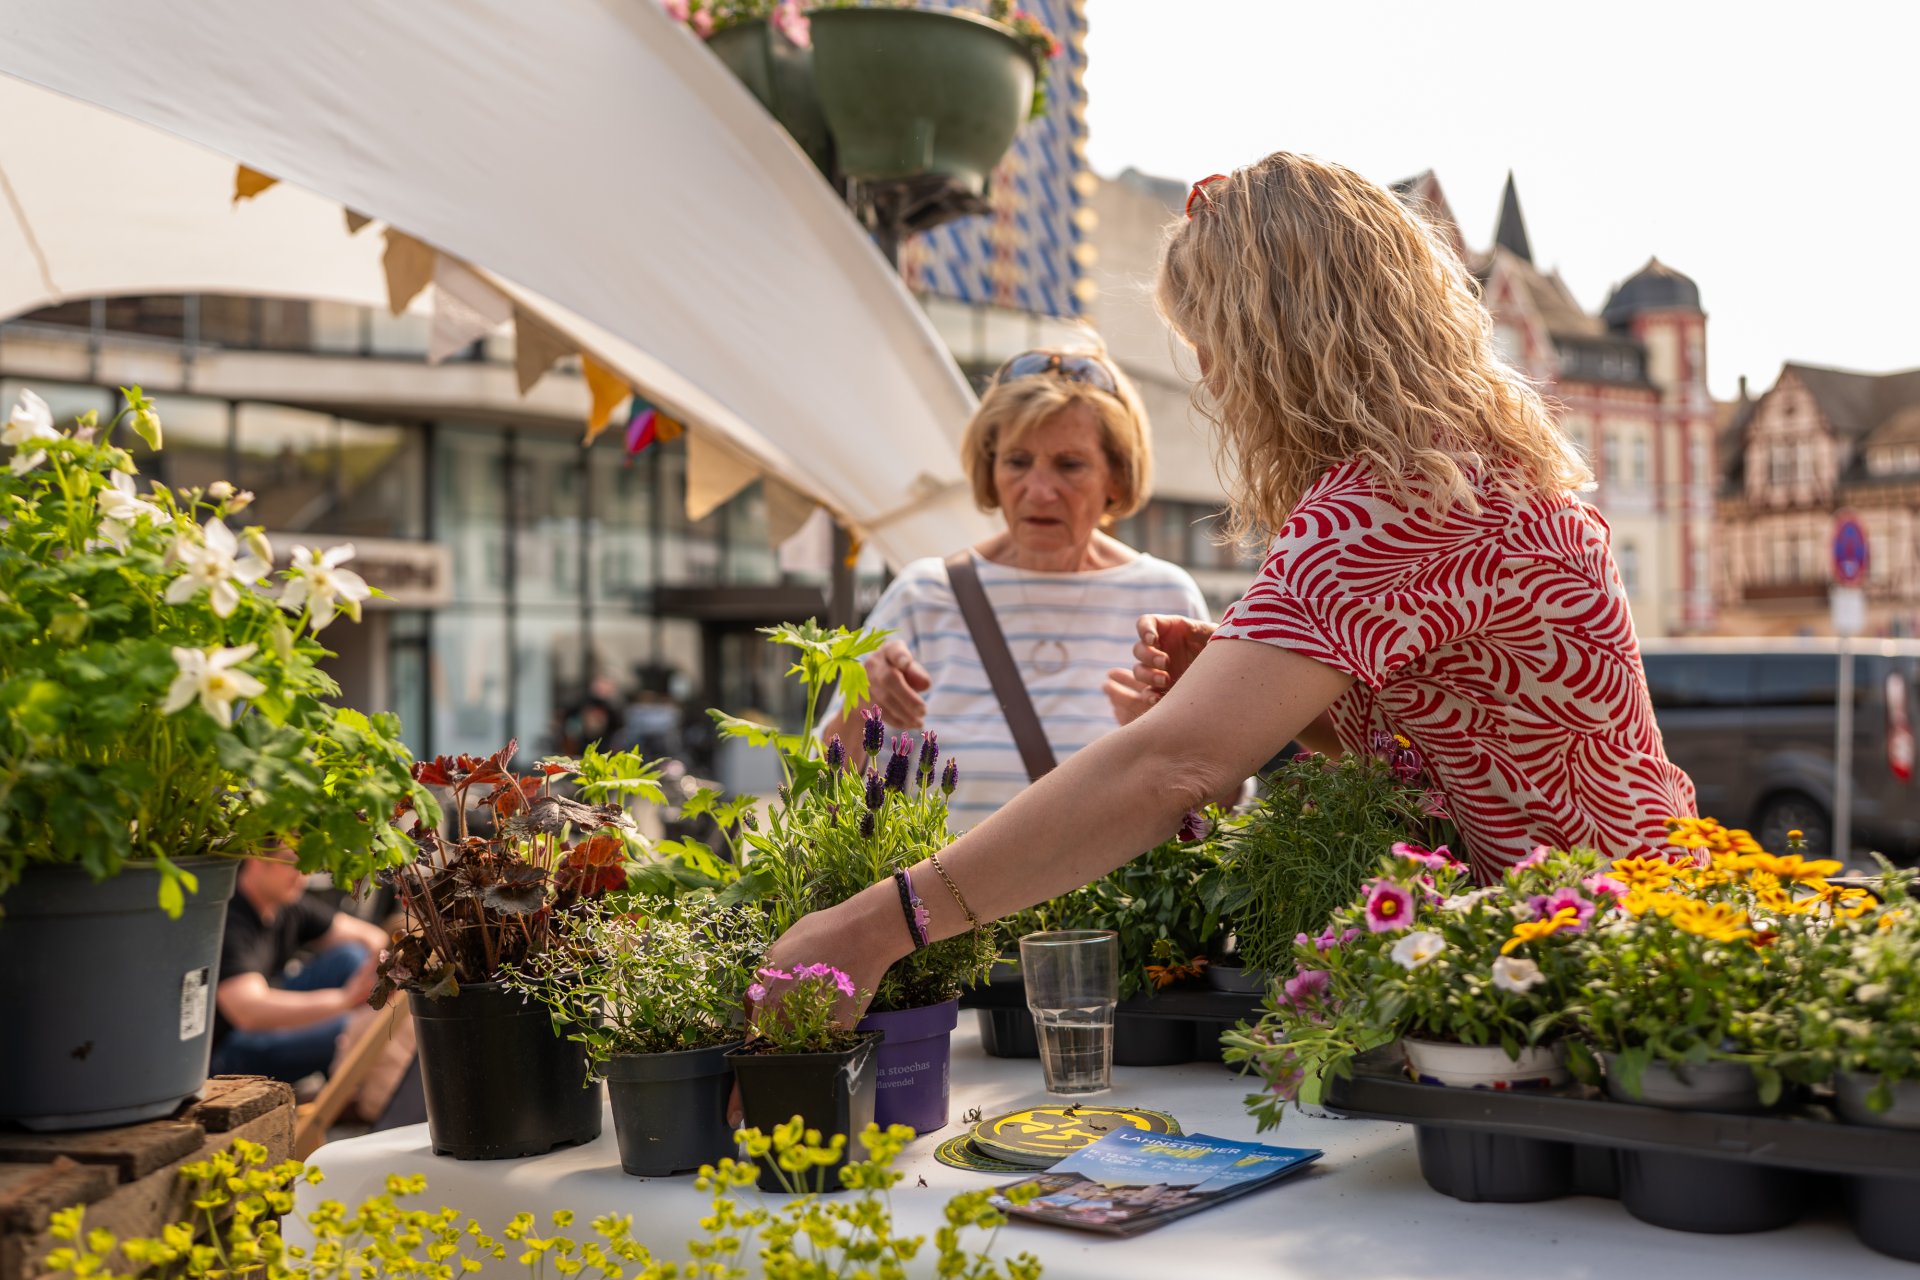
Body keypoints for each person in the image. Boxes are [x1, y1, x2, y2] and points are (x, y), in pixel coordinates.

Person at [762, 151, 1698, 1015]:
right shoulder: (1455, 468)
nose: (1208, 377)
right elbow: (1459, 738)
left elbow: (1172, 767)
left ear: (1272, 338)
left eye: (1208, 338)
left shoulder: (1391, 501)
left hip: (1602, 969)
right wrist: (1270, 697)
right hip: (1611, 940)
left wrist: (873, 927)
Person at [817, 343, 1209, 828]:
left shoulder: (1166, 596)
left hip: (1119, 903)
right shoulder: (922, 595)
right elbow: (825, 792)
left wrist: (1169, 740)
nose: (1040, 490)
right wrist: (863, 702)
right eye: (1018, 462)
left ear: (1117, 475)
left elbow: (1223, 805)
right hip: (941, 903)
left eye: (1070, 465)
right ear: (991, 470)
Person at [209, 846, 392, 1084]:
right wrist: (347, 1000)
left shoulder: (285, 903)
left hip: (266, 1015)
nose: (302, 873)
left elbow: (372, 938)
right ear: (256, 860)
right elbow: (248, 1011)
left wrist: (374, 980)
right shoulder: (229, 918)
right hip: (227, 1051)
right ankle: (357, 1092)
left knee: (349, 956)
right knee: (353, 1028)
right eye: (290, 861)